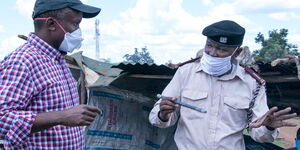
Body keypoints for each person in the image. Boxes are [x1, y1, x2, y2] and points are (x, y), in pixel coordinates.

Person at [149, 20, 298, 150]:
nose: (213, 53)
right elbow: (157, 119)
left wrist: (268, 126)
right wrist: (163, 113)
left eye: (221, 49)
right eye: (209, 46)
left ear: (237, 52)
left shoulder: (252, 83)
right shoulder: (185, 73)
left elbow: (259, 134)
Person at [0, 0, 101, 149]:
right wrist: (62, 116)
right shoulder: (22, 62)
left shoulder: (58, 60)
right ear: (51, 24)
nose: (78, 31)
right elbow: (2, 120)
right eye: (75, 24)